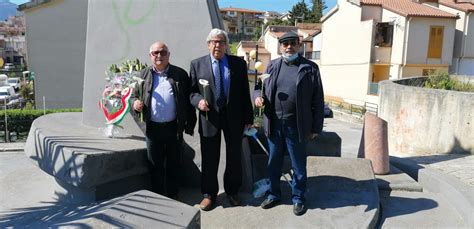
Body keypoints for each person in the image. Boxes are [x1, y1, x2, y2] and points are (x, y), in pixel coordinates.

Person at [254, 31, 324, 216]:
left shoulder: (310, 68)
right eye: (285, 43)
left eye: (292, 43)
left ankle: (298, 197)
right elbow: (257, 88)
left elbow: (318, 99)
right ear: (280, 46)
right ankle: (274, 194)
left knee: (298, 165)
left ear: (299, 45)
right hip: (274, 124)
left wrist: (316, 127)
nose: (288, 46)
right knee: (273, 163)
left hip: (298, 126)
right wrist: (257, 98)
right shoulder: (272, 65)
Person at [189, 28, 253, 211]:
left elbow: (243, 93)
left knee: (234, 157)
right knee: (209, 159)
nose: (217, 45)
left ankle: (232, 192)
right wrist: (198, 101)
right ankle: (209, 195)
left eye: (221, 42)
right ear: (208, 44)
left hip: (234, 118)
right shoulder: (197, 64)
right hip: (210, 118)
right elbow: (191, 92)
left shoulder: (238, 64)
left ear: (226, 45)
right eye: (214, 42)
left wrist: (248, 117)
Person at [132, 41, 196, 199]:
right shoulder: (142, 75)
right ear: (150, 56)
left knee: (174, 164)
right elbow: (131, 95)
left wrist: (188, 124)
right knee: (155, 165)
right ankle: (158, 197)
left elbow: (189, 99)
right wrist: (134, 102)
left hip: (173, 128)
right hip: (152, 128)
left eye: (163, 52)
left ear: (168, 55)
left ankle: (173, 195)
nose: (159, 55)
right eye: (155, 53)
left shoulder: (180, 74)